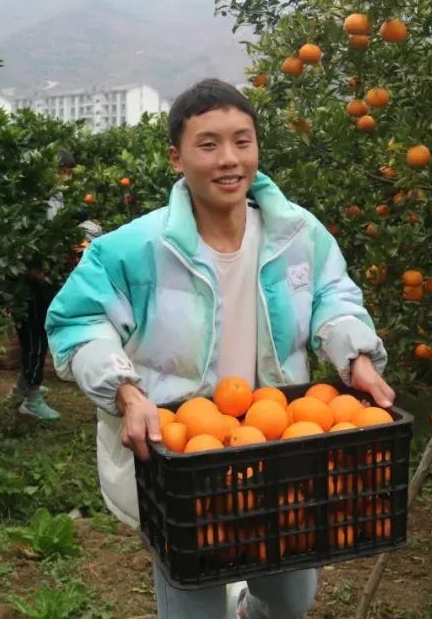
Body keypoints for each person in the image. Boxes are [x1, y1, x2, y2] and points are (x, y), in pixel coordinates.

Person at [45, 79, 393, 618]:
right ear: (176, 158)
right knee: (194, 600)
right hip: (183, 458)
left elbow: (333, 295)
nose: (228, 159)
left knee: (289, 598)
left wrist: (358, 357)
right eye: (208, 144)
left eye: (242, 141)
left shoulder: (296, 233)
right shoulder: (136, 248)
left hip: (282, 446)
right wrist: (126, 392)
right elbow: (79, 321)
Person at [12, 149, 98, 418]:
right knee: (35, 336)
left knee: (37, 335)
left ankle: (24, 387)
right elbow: (28, 238)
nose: (66, 177)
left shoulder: (53, 196)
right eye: (63, 171)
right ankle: (32, 398)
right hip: (31, 279)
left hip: (44, 274)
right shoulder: (33, 200)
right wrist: (36, 269)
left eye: (69, 172)